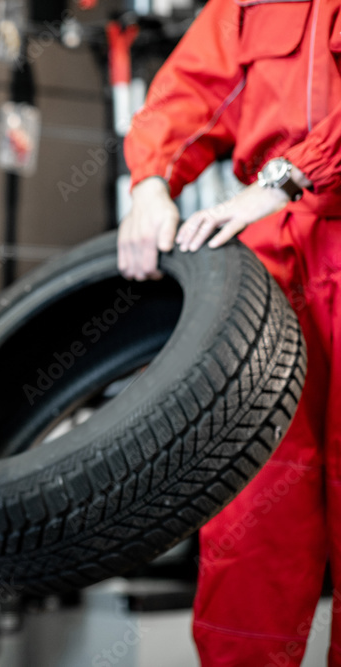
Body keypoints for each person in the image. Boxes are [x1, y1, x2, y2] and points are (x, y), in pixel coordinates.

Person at [119, 0, 341, 664]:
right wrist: (151, 183)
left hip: (297, 209)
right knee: (253, 509)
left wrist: (288, 176)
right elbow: (196, 90)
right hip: (272, 261)